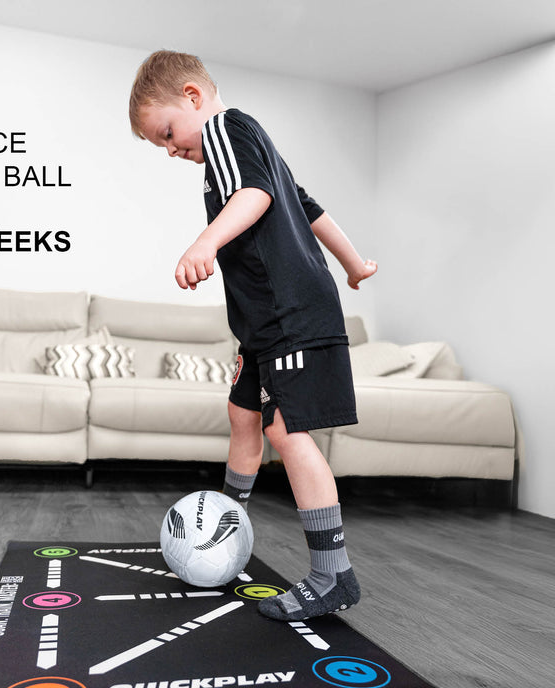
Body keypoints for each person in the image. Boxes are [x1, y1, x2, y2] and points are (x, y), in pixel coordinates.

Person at [129, 50, 377, 621]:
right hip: (265, 328)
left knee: (288, 435)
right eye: (160, 145)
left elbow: (258, 197)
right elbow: (308, 208)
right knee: (242, 415)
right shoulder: (246, 148)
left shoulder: (225, 128)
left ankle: (331, 573)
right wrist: (354, 263)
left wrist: (205, 242)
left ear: (193, 96)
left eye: (167, 133)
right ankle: (226, 531)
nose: (169, 150)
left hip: (292, 316)